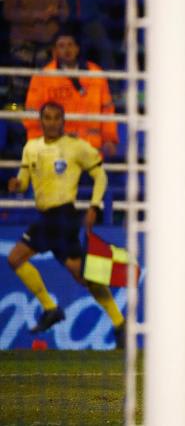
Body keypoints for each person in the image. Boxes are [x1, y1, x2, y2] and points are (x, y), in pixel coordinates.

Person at [7, 102, 125, 347]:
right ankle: (119, 322)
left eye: (56, 118)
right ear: (40, 120)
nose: (51, 122)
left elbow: (100, 175)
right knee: (82, 275)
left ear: (63, 120)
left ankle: (51, 309)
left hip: (62, 216)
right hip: (47, 218)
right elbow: (24, 179)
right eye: (47, 118)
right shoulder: (31, 148)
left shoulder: (75, 147)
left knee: (16, 257)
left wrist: (94, 206)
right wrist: (16, 185)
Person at [23, 32, 118, 157]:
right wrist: (36, 146)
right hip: (56, 150)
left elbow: (107, 109)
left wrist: (109, 139)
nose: (67, 49)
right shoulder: (43, 77)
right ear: (55, 51)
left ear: (77, 48)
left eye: (70, 44)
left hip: (90, 150)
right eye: (61, 46)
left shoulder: (96, 74)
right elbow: (33, 115)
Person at [3, 0, 67, 101]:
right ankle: (15, 121)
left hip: (47, 43)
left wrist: (55, 12)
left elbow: (65, 12)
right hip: (23, 44)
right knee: (18, 91)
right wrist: (36, 15)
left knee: (47, 89)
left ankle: (42, 119)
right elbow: (9, 13)